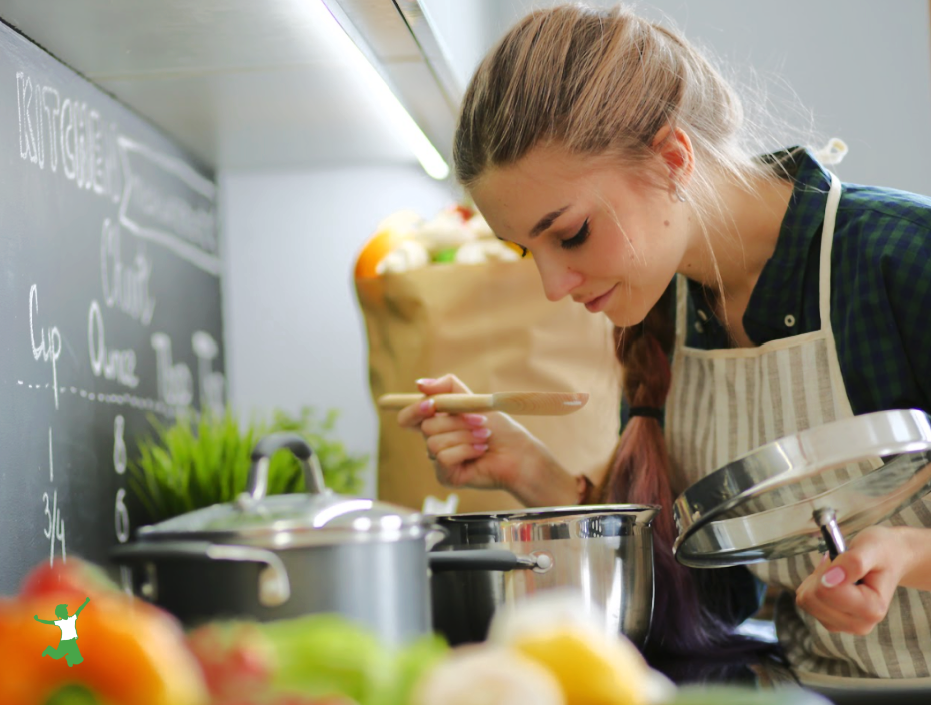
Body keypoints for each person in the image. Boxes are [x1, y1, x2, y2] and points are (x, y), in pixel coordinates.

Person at [396, 3, 931, 685]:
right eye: (526, 249)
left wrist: (909, 551)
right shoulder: (664, 312)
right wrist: (531, 472)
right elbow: (708, 594)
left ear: (672, 158)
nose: (553, 284)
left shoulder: (901, 256)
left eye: (572, 233)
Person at [35, 597, 90, 667]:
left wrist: (86, 602)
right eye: (64, 611)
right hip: (64, 642)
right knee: (57, 656)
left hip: (72, 641)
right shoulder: (60, 622)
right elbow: (48, 622)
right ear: (60, 614)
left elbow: (79, 610)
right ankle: (49, 650)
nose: (66, 611)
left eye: (66, 610)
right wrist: (38, 619)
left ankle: (69, 658)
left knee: (79, 659)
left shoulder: (72, 618)